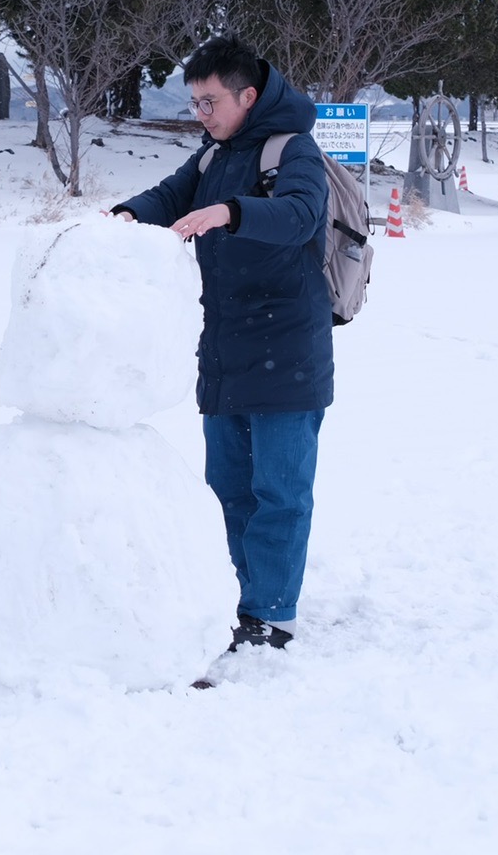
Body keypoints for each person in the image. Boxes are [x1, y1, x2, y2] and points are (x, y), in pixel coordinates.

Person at [111, 35, 333, 651]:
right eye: (195, 103)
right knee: (228, 489)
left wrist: (231, 213)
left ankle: (272, 611)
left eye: (210, 102)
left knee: (280, 492)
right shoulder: (212, 157)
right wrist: (125, 215)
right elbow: (169, 196)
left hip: (288, 352)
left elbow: (299, 217)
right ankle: (234, 598)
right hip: (226, 349)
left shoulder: (294, 150)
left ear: (248, 96)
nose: (200, 115)